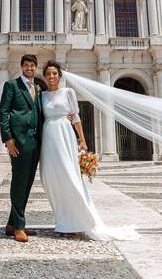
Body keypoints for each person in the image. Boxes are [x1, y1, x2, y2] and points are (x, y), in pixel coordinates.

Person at [38, 60, 139, 241]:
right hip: (48, 138)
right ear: (44, 76)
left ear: (60, 75)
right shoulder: (42, 96)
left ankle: (78, 221)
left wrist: (82, 140)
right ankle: (63, 221)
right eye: (48, 74)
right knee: (51, 180)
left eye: (54, 73)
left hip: (64, 136)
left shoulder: (68, 92)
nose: (51, 76)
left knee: (70, 178)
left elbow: (75, 117)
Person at [0, 54, 43, 243]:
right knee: (18, 182)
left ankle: (11, 223)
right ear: (21, 67)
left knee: (27, 183)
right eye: (26, 66)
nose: (29, 69)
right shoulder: (12, 85)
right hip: (18, 141)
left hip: (35, 140)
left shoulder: (38, 88)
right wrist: (8, 139)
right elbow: (4, 112)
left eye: (32, 66)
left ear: (35, 67)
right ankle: (19, 227)